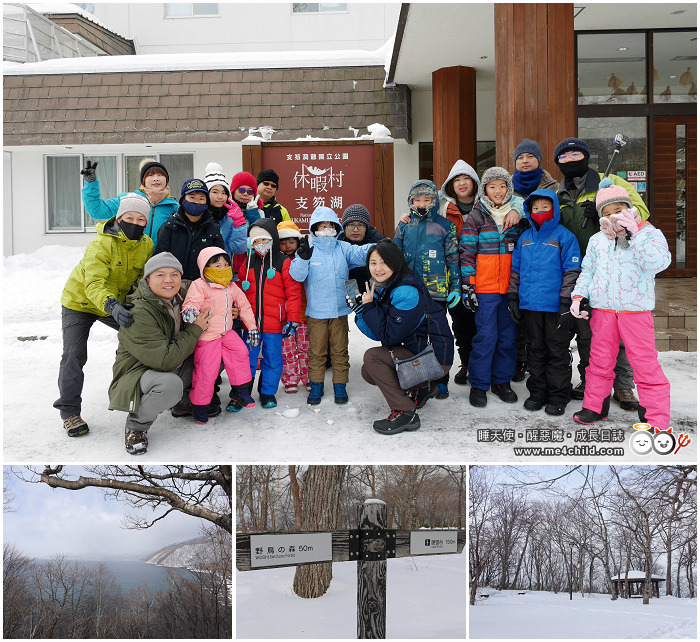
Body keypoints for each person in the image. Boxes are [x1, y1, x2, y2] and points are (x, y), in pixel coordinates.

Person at [554, 137, 650, 410]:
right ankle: (591, 380)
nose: (570, 161)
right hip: (577, 269)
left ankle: (624, 386)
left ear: (586, 157)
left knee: (616, 329)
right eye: (564, 158)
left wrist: (608, 216)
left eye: (575, 156)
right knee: (591, 331)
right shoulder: (559, 194)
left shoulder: (612, 183)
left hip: (612, 264)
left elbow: (640, 213)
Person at [570, 178, 671, 430]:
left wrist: (635, 234)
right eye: (607, 211)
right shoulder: (597, 241)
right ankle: (595, 406)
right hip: (603, 311)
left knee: (644, 363)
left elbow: (658, 263)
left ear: (629, 207)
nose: (614, 215)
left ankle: (655, 417)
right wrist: (579, 296)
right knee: (599, 360)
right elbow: (588, 271)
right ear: (601, 215)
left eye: (619, 209)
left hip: (635, 311)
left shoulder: (648, 232)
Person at [54, 192, 154, 436]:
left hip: (117, 303)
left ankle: (131, 393)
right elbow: (94, 283)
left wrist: (134, 304)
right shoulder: (101, 243)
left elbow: (142, 281)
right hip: (81, 302)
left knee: (140, 336)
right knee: (74, 355)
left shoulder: (147, 245)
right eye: (129, 217)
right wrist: (113, 306)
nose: (135, 223)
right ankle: (69, 412)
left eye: (141, 219)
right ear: (119, 218)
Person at [109, 253, 209, 455]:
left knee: (214, 354)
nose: (168, 280)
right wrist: (195, 329)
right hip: (140, 372)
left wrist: (230, 309)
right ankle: (136, 426)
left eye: (174, 274)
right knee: (169, 386)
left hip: (174, 360)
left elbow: (215, 295)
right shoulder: (137, 312)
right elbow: (164, 360)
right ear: (147, 279)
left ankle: (183, 400)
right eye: (160, 274)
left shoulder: (186, 293)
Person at [356, 240, 454, 434]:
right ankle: (421, 388)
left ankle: (405, 412)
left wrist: (369, 308)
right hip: (418, 350)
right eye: (373, 263)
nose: (378, 268)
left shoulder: (405, 291)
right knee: (368, 371)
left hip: (434, 359)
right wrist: (361, 312)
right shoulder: (386, 286)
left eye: (384, 262)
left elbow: (388, 336)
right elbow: (378, 333)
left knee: (372, 359)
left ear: (395, 262)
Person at [289, 206, 374, 405]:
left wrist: (379, 247)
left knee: (339, 351)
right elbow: (297, 275)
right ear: (314, 228)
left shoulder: (342, 248)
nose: (326, 229)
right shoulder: (309, 249)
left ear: (336, 228)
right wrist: (302, 258)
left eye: (330, 225)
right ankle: (316, 387)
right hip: (316, 313)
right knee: (317, 352)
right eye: (322, 226)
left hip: (339, 312)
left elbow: (360, 253)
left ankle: (340, 387)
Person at [507, 189, 581, 416]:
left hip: (555, 305)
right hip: (530, 305)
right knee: (535, 350)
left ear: (555, 209)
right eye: (535, 208)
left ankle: (559, 394)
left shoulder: (564, 237)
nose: (539, 212)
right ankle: (537, 392)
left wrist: (565, 301)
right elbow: (516, 270)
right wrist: (513, 297)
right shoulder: (525, 237)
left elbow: (572, 270)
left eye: (545, 207)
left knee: (556, 350)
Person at [459, 167, 527, 408]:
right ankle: (478, 384)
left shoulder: (516, 216)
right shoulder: (477, 216)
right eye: (492, 186)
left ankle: (501, 381)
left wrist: (519, 212)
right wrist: (469, 285)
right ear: (485, 190)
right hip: (485, 289)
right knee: (485, 337)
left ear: (509, 189)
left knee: (507, 338)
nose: (498, 191)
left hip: (509, 289)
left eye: (502, 186)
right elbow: (467, 253)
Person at [394, 180, 461, 401]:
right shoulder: (404, 225)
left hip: (436, 291)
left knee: (441, 335)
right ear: (411, 201)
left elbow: (453, 257)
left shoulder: (444, 225)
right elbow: (394, 258)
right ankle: (420, 380)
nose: (422, 204)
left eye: (427, 199)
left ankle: (441, 379)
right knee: (416, 337)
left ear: (434, 201)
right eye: (417, 200)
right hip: (410, 292)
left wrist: (456, 286)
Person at [182, 247, 260, 423]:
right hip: (208, 336)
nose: (223, 268)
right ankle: (199, 405)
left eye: (226, 264)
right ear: (205, 266)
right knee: (207, 371)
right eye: (217, 265)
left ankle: (240, 391)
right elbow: (192, 302)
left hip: (226, 332)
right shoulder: (200, 285)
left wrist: (252, 328)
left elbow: (244, 306)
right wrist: (190, 311)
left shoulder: (231, 286)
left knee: (241, 352)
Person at [238, 218, 302, 409]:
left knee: (273, 358)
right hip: (250, 325)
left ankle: (267, 392)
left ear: (273, 239)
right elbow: (239, 289)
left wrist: (292, 319)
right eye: (255, 241)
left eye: (264, 240)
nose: (260, 245)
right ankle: (242, 392)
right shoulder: (247, 262)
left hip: (275, 324)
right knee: (247, 358)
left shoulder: (284, 262)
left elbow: (293, 293)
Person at [510, 139, 559, 382]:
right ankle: (519, 359)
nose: (525, 160)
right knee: (518, 312)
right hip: (514, 257)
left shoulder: (554, 187)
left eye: (530, 156)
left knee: (541, 315)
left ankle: (540, 361)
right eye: (520, 157)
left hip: (546, 259)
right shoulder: (506, 190)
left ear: (539, 160)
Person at [437, 160, 482, 386]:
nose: (462, 183)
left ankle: (482, 366)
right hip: (453, 276)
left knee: (482, 324)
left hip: (483, 274)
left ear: (474, 183)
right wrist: (405, 218)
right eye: (457, 180)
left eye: (466, 179)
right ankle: (466, 364)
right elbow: (420, 212)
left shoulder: (486, 205)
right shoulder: (442, 208)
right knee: (461, 325)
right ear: (450, 186)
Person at [81, 158, 178, 241]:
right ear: (143, 180)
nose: (156, 179)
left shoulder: (174, 207)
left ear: (166, 179)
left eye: (160, 175)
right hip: (131, 258)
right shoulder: (129, 199)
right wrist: (91, 184)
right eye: (150, 175)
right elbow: (98, 211)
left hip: (161, 260)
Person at [154, 178, 225, 282]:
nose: (196, 202)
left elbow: (220, 260)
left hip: (204, 287)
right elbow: (159, 260)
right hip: (174, 286)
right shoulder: (169, 227)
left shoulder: (213, 229)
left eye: (201, 198)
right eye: (192, 197)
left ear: (206, 202)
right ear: (183, 200)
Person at [277, 221, 311, 394]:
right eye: (283, 242)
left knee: (305, 348)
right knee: (288, 350)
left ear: (298, 242)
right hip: (284, 316)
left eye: (291, 241)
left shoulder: (305, 258)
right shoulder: (276, 261)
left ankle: (308, 377)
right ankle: (290, 378)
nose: (287, 246)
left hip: (304, 314)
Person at [337, 203, 387, 293]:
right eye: (351, 225)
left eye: (360, 225)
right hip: (347, 295)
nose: (355, 229)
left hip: (375, 293)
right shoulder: (338, 243)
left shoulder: (379, 242)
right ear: (344, 227)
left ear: (366, 227)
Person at [203, 162, 248, 258]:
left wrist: (239, 225)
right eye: (215, 192)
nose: (220, 197)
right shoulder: (198, 215)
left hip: (224, 268)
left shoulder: (230, 217)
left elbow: (239, 249)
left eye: (224, 193)